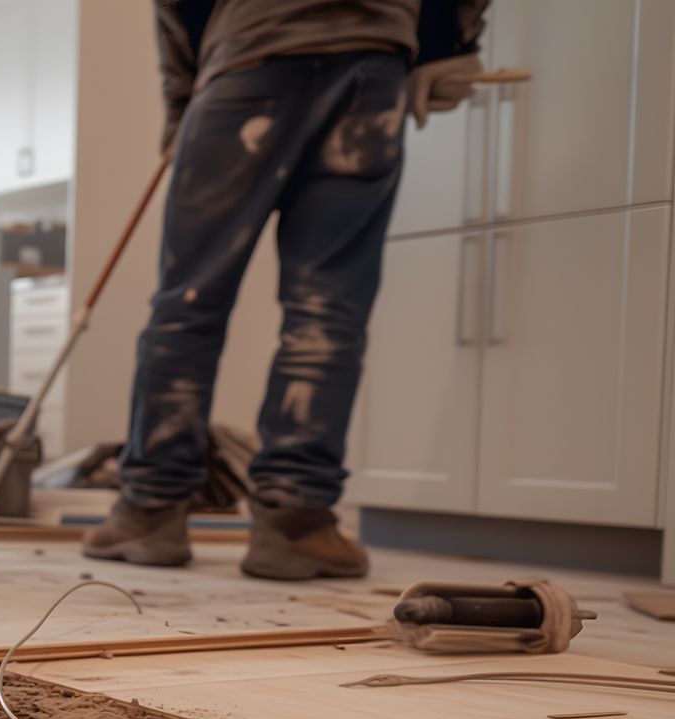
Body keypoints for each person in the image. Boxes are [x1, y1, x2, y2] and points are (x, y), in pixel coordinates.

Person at [85, 1, 490, 580]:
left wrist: (182, 104)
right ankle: (296, 522)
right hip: (369, 70)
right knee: (327, 309)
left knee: (190, 304)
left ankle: (149, 512)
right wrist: (448, 45)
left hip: (250, 59)